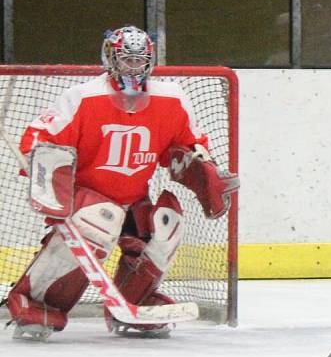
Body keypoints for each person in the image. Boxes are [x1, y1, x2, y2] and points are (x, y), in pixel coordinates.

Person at [4, 25, 239, 340]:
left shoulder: (172, 99)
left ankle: (134, 302)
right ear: (110, 58)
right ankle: (34, 301)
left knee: (166, 224)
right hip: (85, 200)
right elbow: (38, 137)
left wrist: (203, 171)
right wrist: (47, 171)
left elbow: (186, 145)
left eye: (139, 60)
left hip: (133, 199)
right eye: (125, 59)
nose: (133, 67)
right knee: (100, 219)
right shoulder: (83, 97)